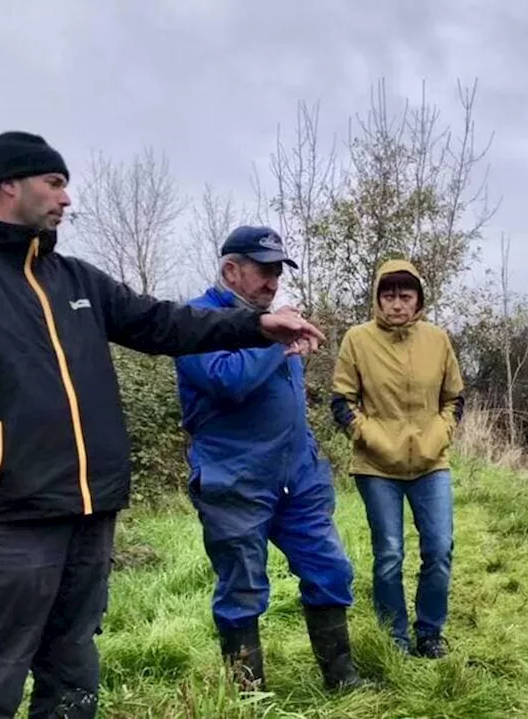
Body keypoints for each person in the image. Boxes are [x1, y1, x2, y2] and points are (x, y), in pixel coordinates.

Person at [0, 131, 325, 719]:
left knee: (72, 674)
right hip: (11, 516)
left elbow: (163, 323)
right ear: (7, 184)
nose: (67, 199)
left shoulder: (78, 280)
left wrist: (256, 327)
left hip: (91, 514)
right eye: (55, 182)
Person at [174, 225, 362, 694]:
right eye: (264, 270)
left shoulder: (273, 320)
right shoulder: (196, 319)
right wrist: (277, 343)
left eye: (278, 271)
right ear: (231, 270)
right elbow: (228, 381)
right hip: (233, 479)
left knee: (330, 569)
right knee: (242, 589)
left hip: (298, 476)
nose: (273, 282)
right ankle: (250, 698)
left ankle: (342, 681)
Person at [329, 259, 465, 658]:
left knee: (439, 549)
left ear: (419, 299)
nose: (397, 304)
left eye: (406, 295)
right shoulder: (357, 340)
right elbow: (342, 401)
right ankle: (395, 638)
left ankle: (430, 632)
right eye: (388, 295)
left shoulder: (437, 340)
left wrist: (440, 434)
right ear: (377, 297)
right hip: (376, 467)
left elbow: (454, 398)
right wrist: (371, 438)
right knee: (389, 554)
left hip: (430, 462)